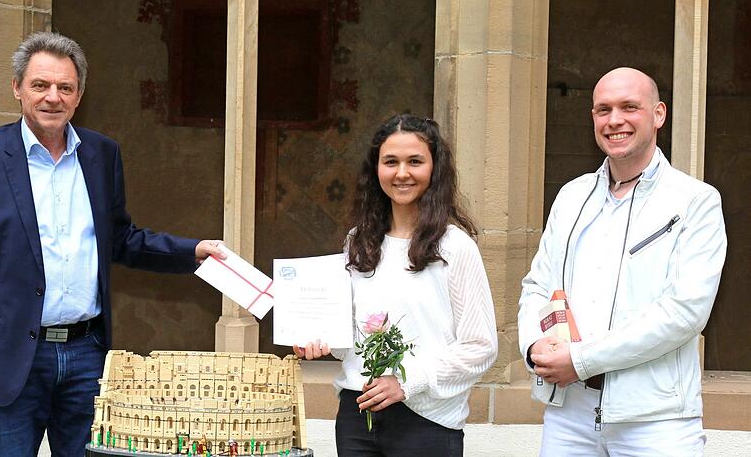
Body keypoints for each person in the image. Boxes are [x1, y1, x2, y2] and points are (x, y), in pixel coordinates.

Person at [0, 31, 224, 456]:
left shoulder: (101, 155)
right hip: (7, 359)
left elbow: (120, 238)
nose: (52, 97)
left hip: (87, 357)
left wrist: (191, 252)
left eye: (65, 87)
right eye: (40, 85)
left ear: (79, 95)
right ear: (17, 89)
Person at [517, 67, 727, 456]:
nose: (615, 120)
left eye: (629, 107)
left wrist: (580, 360)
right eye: (603, 109)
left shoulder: (695, 201)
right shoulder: (571, 196)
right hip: (569, 414)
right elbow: (537, 286)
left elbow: (684, 312)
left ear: (658, 114)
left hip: (656, 419)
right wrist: (533, 346)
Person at [294, 114, 498, 456]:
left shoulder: (455, 246)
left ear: (435, 169)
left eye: (415, 161)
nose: (402, 173)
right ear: (376, 169)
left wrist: (407, 382)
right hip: (357, 414)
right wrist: (322, 341)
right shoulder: (358, 241)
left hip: (426, 421)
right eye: (391, 162)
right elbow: (353, 342)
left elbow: (480, 347)